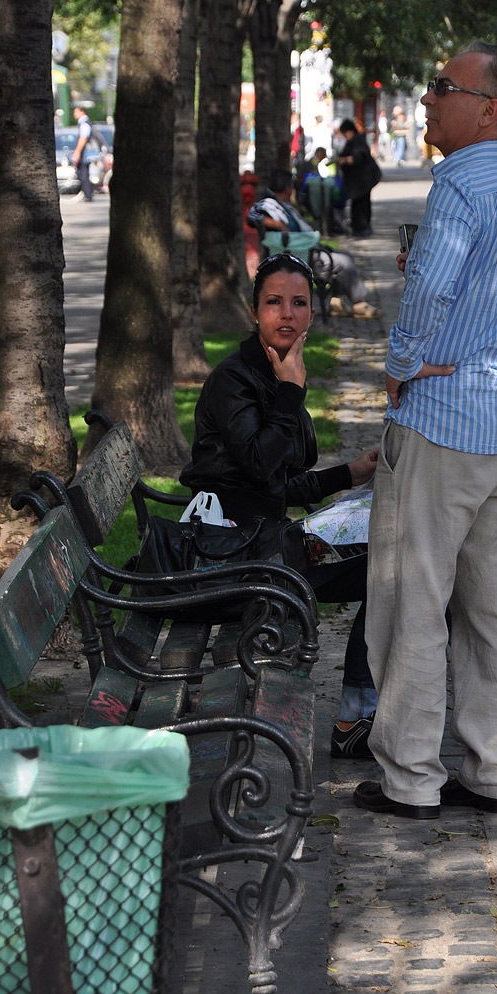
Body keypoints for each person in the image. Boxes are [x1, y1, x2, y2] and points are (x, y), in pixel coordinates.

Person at [354, 41, 497, 821]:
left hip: (442, 425)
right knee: (492, 605)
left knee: (411, 600)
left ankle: (410, 778)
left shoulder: (457, 191)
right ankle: (495, 771)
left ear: (488, 110)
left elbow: (428, 295)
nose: (425, 98)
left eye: (440, 86)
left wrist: (402, 364)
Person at [179, 252, 379, 745]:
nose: (287, 314)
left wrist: (348, 475)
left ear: (312, 311)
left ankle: (368, 708)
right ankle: (361, 714)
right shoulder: (237, 380)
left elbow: (272, 485)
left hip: (262, 542)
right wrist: (291, 393)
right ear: (254, 311)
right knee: (395, 568)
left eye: (299, 303)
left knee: (402, 560)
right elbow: (259, 465)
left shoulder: (275, 368)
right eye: (274, 302)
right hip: (234, 556)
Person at [247, 169, 380, 318]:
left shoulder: (283, 205)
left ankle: (336, 302)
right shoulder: (270, 204)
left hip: (303, 249)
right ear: (288, 188)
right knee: (344, 262)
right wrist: (275, 224)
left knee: (345, 256)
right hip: (298, 254)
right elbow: (252, 215)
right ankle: (359, 303)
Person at [337, 118, 381, 238]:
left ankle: (362, 227)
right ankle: (359, 226)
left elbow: (358, 156)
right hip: (360, 180)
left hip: (363, 179)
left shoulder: (358, 141)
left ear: (350, 131)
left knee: (361, 203)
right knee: (359, 203)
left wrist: (345, 160)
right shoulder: (354, 141)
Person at [72, 106, 93, 202]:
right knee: (83, 173)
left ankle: (88, 194)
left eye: (76, 112)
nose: (74, 114)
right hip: (85, 154)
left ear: (82, 112)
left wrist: (77, 152)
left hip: (84, 154)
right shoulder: (84, 123)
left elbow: (83, 138)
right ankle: (88, 193)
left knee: (83, 173)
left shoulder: (84, 124)